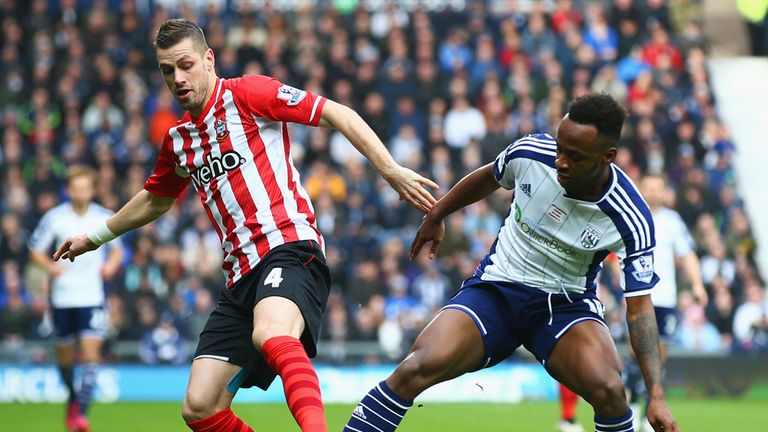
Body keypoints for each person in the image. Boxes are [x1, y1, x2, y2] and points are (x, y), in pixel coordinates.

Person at [52, 19, 437, 432]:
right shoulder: (179, 140)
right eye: (167, 70)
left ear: (208, 59)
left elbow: (335, 113)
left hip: (289, 247)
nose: (178, 78)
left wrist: (390, 169)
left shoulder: (249, 94)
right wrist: (94, 236)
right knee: (200, 407)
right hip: (239, 275)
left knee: (270, 333)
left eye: (185, 65)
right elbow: (156, 199)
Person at [344, 94, 679, 432]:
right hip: (496, 290)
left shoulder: (631, 215)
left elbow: (639, 309)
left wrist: (656, 394)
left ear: (607, 157)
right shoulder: (532, 153)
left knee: (610, 392)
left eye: (574, 156)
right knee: (414, 368)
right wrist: (437, 212)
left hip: (564, 306)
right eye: (560, 147)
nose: (560, 161)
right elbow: (489, 176)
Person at [28, 165, 124, 432]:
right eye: (76, 188)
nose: (81, 193)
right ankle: (73, 398)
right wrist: (50, 267)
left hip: (91, 295)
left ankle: (80, 413)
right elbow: (35, 250)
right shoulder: (55, 218)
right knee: (65, 359)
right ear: (68, 190)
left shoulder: (104, 217)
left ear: (92, 189)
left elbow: (117, 250)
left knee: (92, 354)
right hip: (62, 297)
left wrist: (111, 266)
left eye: (85, 188)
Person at [623, 174, 707, 431]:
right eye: (649, 187)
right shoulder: (630, 214)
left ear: (664, 192)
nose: (653, 192)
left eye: (658, 188)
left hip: (665, 298)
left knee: (659, 358)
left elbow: (687, 254)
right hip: (636, 297)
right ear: (641, 188)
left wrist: (697, 284)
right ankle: (634, 404)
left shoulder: (672, 221)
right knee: (637, 354)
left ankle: (652, 408)